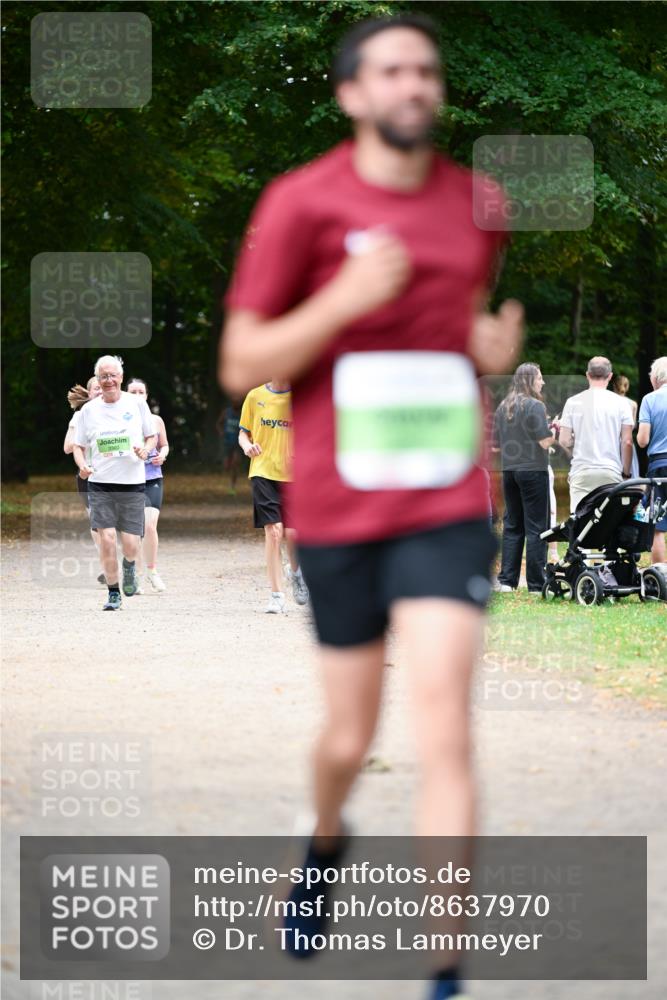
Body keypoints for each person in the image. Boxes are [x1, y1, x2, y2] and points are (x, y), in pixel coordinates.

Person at [220, 15, 522, 999]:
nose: (414, 84)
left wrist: (484, 354)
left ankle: (443, 965)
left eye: (428, 70)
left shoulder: (478, 207)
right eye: (393, 70)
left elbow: (455, 336)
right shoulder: (301, 204)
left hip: (444, 500)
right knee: (349, 737)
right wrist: (344, 298)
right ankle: (323, 840)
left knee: (445, 725)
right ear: (352, 93)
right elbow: (243, 363)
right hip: (340, 506)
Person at [72, 355, 156, 611]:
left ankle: (130, 565)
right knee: (107, 539)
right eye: (103, 377)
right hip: (100, 484)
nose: (108, 381)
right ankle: (112, 593)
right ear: (97, 380)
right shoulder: (89, 410)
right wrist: (83, 466)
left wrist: (145, 450)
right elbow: (78, 445)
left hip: (131, 483)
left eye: (112, 376)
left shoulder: (136, 404)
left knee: (130, 544)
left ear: (120, 377)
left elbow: (151, 437)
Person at [238, 380, 309, 613]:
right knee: (274, 531)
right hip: (263, 471)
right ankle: (276, 595)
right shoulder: (254, 395)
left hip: (294, 474)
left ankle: (296, 572)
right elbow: (243, 433)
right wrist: (247, 446)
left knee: (293, 534)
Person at [492, 364, 554, 593]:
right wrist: (554, 431)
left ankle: (507, 581)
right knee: (537, 527)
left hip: (509, 472)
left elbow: (496, 447)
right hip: (533, 471)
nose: (543, 382)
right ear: (530, 381)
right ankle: (537, 584)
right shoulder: (535, 406)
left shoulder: (503, 406)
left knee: (512, 525)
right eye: (540, 378)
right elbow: (544, 442)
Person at [558, 356, 634, 512]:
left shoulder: (573, 402)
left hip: (582, 470)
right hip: (611, 471)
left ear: (587, 375)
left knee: (579, 522)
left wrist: (577, 448)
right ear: (610, 376)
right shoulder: (622, 403)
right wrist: (626, 473)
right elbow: (627, 442)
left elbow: (564, 440)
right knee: (609, 522)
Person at [127, 378, 169, 593]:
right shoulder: (121, 420)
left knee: (150, 525)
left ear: (146, 395)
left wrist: (162, 456)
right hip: (128, 480)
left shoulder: (156, 420)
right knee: (133, 531)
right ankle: (133, 573)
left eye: (140, 391)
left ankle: (151, 571)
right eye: (132, 391)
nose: (136, 395)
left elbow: (165, 446)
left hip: (153, 478)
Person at [64, 377, 106, 584]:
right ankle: (108, 566)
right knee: (98, 525)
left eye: (103, 388)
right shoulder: (80, 416)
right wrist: (87, 438)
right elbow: (68, 446)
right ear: (89, 394)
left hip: (115, 475)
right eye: (96, 388)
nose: (100, 391)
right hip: (88, 476)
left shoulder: (116, 413)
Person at [637, 356, 667, 564]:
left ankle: (662, 579)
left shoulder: (650, 399)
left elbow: (642, 440)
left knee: (658, 527)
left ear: (656, 378)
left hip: (660, 467)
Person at [612, 373, 639, 477]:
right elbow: (633, 426)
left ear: (614, 386)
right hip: (627, 441)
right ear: (627, 387)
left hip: (612, 441)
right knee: (630, 475)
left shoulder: (609, 401)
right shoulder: (633, 404)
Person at [217, 400, 242, 494]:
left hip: (238, 443)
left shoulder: (242, 413)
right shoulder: (226, 412)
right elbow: (218, 423)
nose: (236, 403)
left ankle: (232, 486)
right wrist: (221, 432)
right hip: (227, 442)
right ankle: (227, 464)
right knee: (227, 466)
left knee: (235, 464)